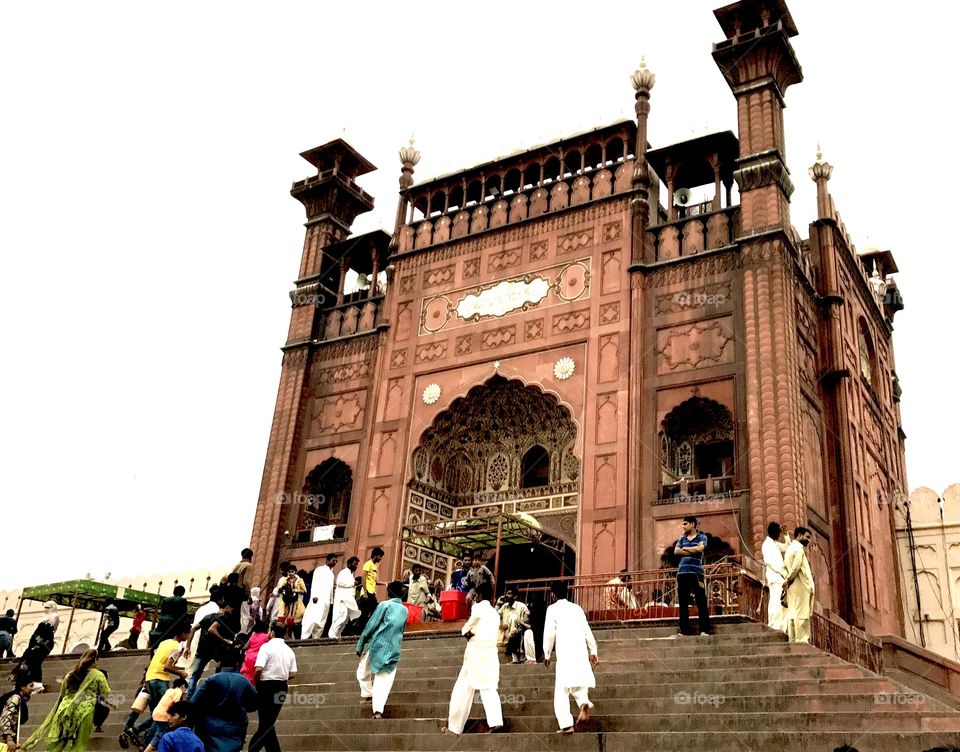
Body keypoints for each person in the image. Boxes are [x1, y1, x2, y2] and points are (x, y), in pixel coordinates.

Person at [22, 649, 111, 752]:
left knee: (56, 745)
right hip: (84, 712)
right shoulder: (98, 675)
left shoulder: (70, 674)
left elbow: (63, 692)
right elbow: (105, 692)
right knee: (78, 745)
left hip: (64, 710)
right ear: (95, 660)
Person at [445, 581, 503, 735]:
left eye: (476, 595)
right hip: (490, 655)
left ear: (480, 595)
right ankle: (496, 721)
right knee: (489, 688)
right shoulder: (495, 614)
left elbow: (466, 628)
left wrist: (466, 632)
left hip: (475, 655)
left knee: (462, 690)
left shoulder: (477, 608)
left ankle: (454, 728)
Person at [543, 580, 599, 734]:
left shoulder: (552, 609)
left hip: (564, 651)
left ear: (553, 594)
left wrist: (547, 653)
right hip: (580, 650)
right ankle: (583, 703)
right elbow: (587, 630)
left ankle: (566, 724)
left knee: (561, 690)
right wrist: (593, 651)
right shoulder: (577, 609)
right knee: (578, 684)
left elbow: (549, 633)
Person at [124, 624, 190, 747]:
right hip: (161, 680)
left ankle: (137, 732)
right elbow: (167, 667)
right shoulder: (177, 647)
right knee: (163, 713)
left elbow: (160, 662)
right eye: (187, 634)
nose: (188, 637)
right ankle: (145, 738)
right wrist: (181, 672)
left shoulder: (164, 643)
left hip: (150, 678)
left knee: (157, 712)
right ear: (182, 633)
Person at [355, 581, 408, 719]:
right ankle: (378, 710)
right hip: (394, 648)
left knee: (362, 670)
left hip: (377, 645)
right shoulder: (405, 610)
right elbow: (402, 630)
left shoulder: (384, 605)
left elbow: (371, 625)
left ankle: (367, 694)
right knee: (384, 679)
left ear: (388, 593)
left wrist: (360, 644)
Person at [192, 649, 257, 752]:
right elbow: (254, 704)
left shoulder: (211, 680)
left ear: (220, 663)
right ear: (237, 663)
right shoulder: (244, 681)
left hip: (210, 730)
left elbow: (194, 703)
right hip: (235, 730)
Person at [248, 622, 297, 752]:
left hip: (266, 685)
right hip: (281, 686)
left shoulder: (266, 647)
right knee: (268, 722)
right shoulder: (289, 650)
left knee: (266, 723)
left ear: (272, 632)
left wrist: (257, 683)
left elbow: (258, 669)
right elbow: (292, 673)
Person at [674, 516, 712, 637]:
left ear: (692, 524)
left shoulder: (702, 537)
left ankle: (704, 630)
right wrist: (692, 549)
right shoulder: (682, 538)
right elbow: (676, 551)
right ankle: (684, 630)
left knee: (701, 601)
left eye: (685, 524)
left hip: (696, 573)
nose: (683, 526)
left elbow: (700, 549)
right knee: (683, 603)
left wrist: (685, 549)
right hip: (682, 573)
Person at [784, 526, 815, 643]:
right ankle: (802, 640)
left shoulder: (789, 549)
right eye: (807, 537)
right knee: (802, 614)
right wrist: (788, 579)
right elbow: (796, 566)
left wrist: (787, 581)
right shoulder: (799, 549)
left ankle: (793, 639)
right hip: (801, 586)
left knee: (792, 613)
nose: (809, 540)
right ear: (799, 536)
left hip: (793, 587)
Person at [142, 678, 187, 752]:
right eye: (185, 689)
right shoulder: (178, 691)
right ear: (182, 686)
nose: (184, 692)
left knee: (154, 730)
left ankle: (145, 744)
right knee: (159, 734)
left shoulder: (169, 690)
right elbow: (177, 704)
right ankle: (147, 750)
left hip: (156, 713)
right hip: (164, 716)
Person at [762, 521, 790, 633]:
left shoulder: (774, 543)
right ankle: (773, 625)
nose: (779, 536)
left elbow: (787, 547)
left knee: (781, 603)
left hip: (780, 577)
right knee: (775, 602)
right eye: (778, 534)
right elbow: (769, 562)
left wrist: (786, 534)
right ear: (774, 533)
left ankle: (780, 627)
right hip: (775, 577)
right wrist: (782, 572)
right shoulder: (767, 544)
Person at [302, 554, 337, 640]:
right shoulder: (320, 570)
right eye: (333, 560)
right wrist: (314, 595)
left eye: (336, 561)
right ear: (328, 560)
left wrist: (331, 601)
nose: (335, 562)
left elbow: (331, 588)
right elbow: (315, 582)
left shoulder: (332, 574)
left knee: (321, 621)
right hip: (317, 599)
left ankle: (316, 638)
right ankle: (304, 638)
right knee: (312, 619)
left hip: (326, 601)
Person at [0, 676, 38, 751]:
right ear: (23, 687)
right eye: (31, 686)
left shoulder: (20, 700)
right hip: (4, 739)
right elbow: (5, 717)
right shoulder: (15, 698)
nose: (32, 688)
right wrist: (9, 739)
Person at [329, 557, 362, 639]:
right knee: (341, 616)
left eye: (357, 564)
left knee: (346, 619)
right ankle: (332, 634)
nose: (356, 566)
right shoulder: (343, 572)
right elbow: (339, 582)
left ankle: (338, 634)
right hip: (342, 599)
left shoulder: (351, 575)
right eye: (355, 564)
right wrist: (353, 583)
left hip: (349, 600)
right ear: (349, 564)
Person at [225, 549, 255, 634]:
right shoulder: (248, 565)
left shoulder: (236, 565)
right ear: (251, 557)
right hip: (239, 593)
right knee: (238, 616)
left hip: (230, 592)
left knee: (230, 614)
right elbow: (246, 582)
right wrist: (248, 595)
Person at [497, 589, 530, 664]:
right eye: (506, 594)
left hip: (517, 634)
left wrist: (509, 624)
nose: (507, 596)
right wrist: (497, 605)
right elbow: (495, 616)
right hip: (504, 634)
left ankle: (515, 654)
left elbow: (526, 621)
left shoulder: (522, 606)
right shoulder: (504, 606)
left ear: (515, 596)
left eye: (509, 594)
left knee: (513, 617)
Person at [274, 567, 306, 637]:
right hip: (286, 603)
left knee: (294, 623)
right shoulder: (285, 580)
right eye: (289, 572)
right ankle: (287, 637)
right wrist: (282, 588)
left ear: (295, 572)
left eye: (292, 571)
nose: (291, 573)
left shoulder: (299, 580)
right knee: (285, 622)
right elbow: (279, 591)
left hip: (296, 604)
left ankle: (294, 640)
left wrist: (297, 590)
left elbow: (305, 591)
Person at [358, 547, 384, 630]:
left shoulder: (374, 566)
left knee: (370, 612)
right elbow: (363, 578)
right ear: (375, 555)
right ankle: (361, 631)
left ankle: (365, 630)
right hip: (367, 592)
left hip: (372, 592)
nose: (380, 559)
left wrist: (385, 583)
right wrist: (365, 592)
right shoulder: (368, 564)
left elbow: (375, 581)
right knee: (368, 612)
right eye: (380, 556)